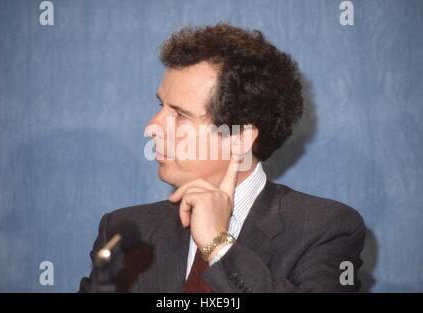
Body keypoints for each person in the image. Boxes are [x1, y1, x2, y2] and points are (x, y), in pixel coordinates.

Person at [79, 23, 366, 293]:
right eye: (160, 106)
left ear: (240, 138)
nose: (152, 127)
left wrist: (218, 246)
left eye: (179, 115)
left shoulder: (325, 228)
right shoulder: (124, 232)